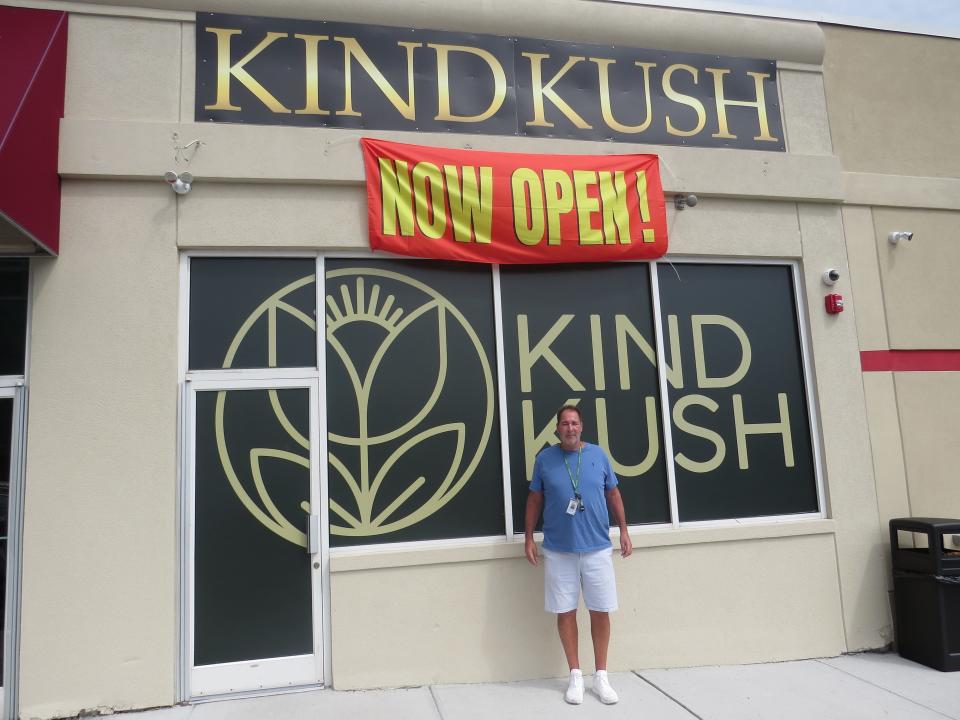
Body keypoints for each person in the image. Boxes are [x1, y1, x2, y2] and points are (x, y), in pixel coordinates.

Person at [524, 404, 632, 705]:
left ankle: (601, 676)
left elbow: (613, 493)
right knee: (565, 610)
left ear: (581, 426)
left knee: (600, 610)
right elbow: (534, 499)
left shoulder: (598, 456)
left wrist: (623, 530)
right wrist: (529, 537)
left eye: (574, 423)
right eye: (564, 424)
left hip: (597, 547)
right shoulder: (545, 459)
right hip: (559, 550)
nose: (569, 428)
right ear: (557, 429)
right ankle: (575, 675)